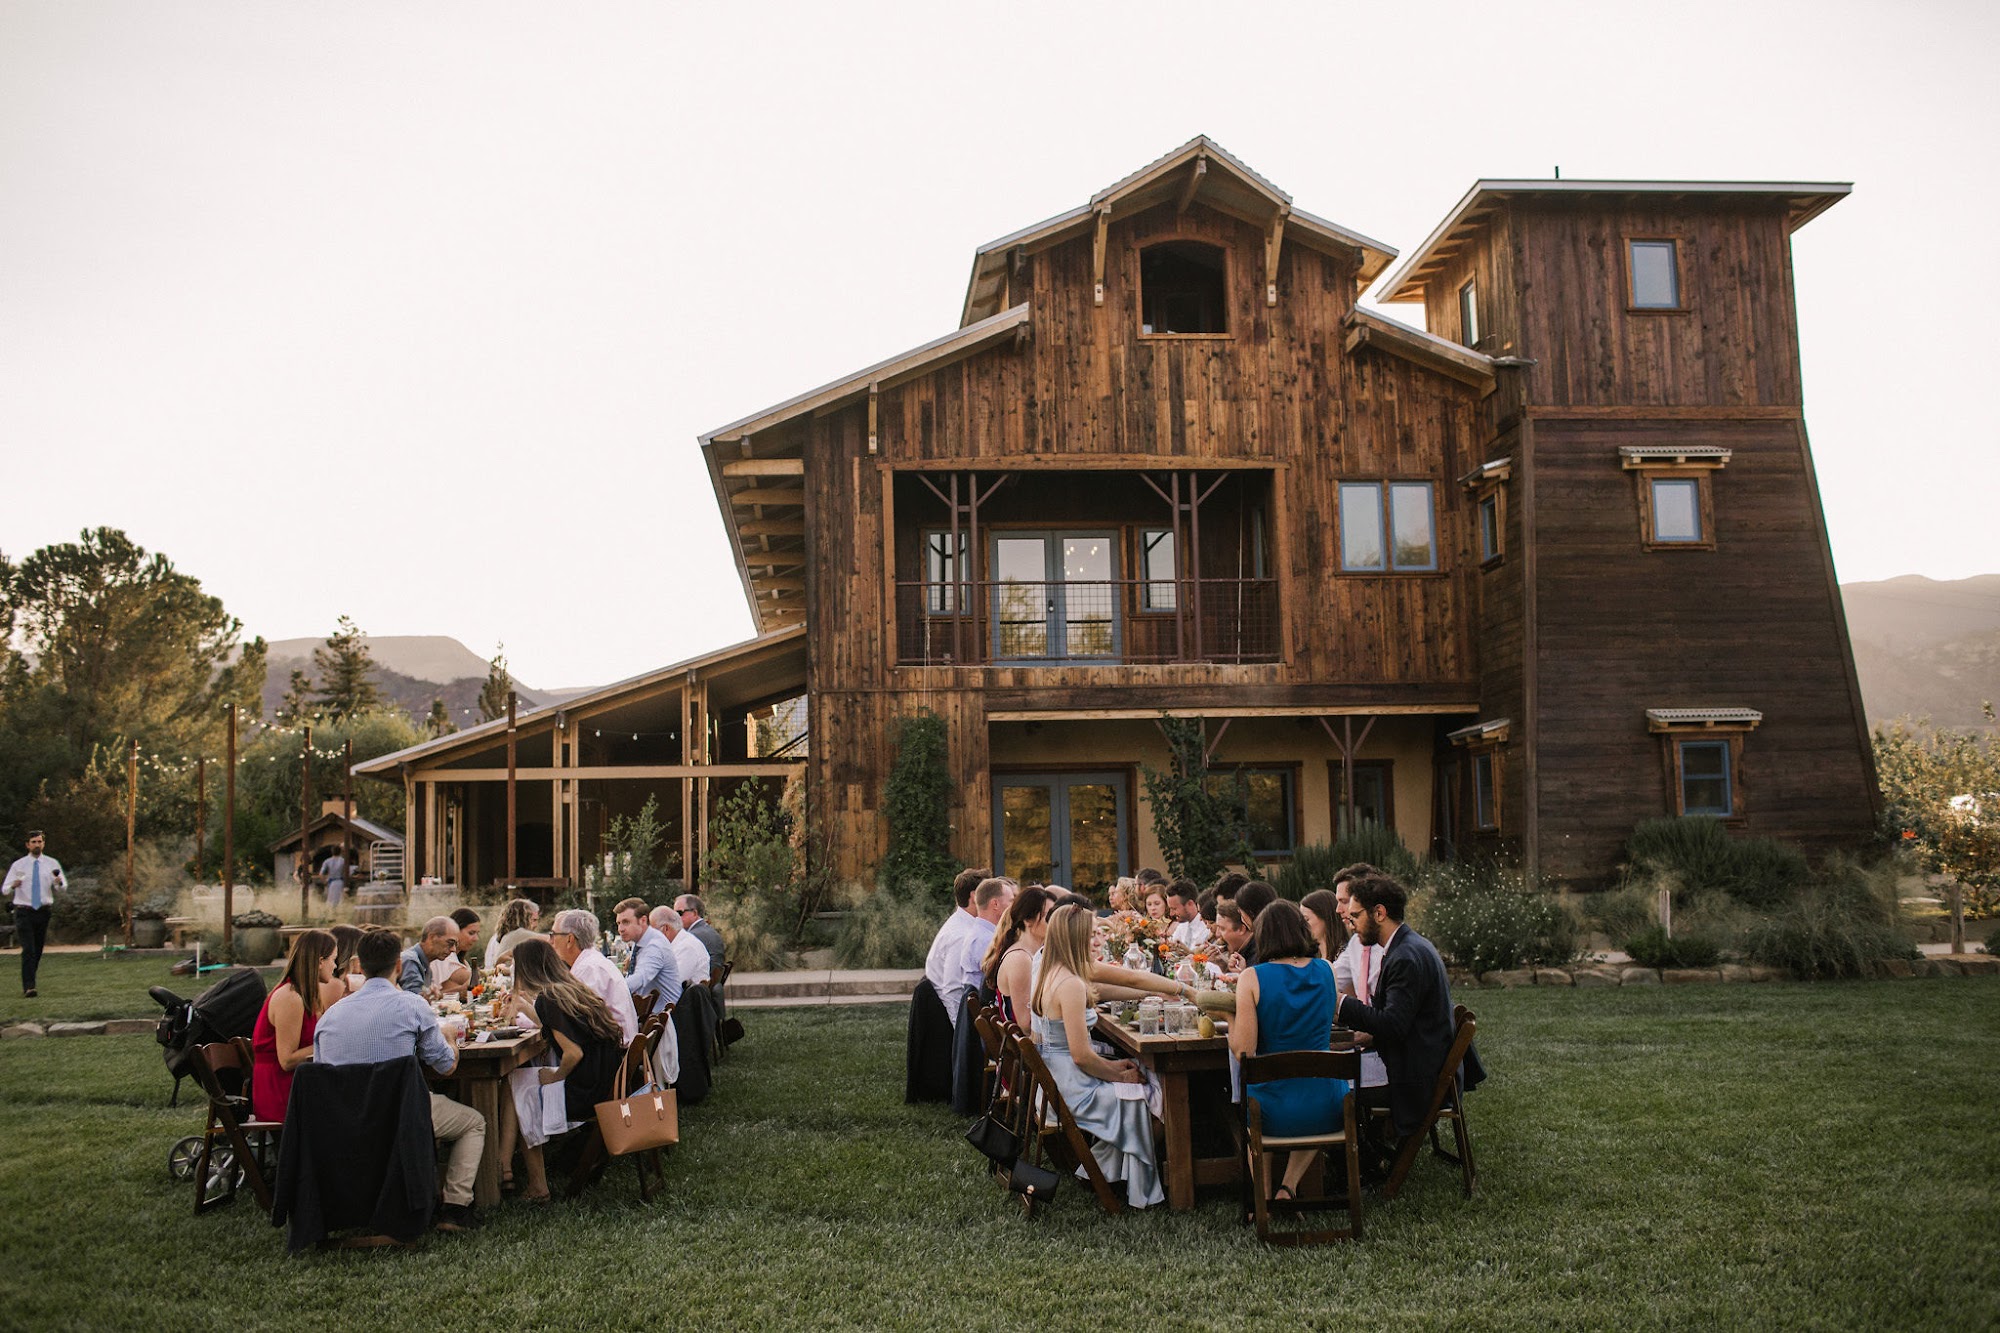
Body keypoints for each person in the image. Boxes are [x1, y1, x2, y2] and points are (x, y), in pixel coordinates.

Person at [313, 927, 487, 1232]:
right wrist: (449, 1037)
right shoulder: (411, 1005)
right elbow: (446, 1066)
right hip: (399, 1116)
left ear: (359, 966)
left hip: (343, 1121)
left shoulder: (329, 1017)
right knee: (473, 1122)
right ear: (398, 965)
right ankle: (455, 1208)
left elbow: (321, 1073)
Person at [1333, 874, 1482, 1153]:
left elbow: (1393, 1026)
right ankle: (1365, 1154)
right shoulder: (1408, 946)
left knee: (1332, 1087)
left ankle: (1357, 1160)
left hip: (1414, 1079)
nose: (1351, 925)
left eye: (1356, 916)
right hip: (1417, 1065)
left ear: (1379, 913)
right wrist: (1365, 1033)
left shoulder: (1405, 957)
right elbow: (1398, 1021)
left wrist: (1341, 1004)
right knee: (1336, 1076)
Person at [1029, 904, 1163, 1208]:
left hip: (1056, 1081)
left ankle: (1099, 1171)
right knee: (1153, 1093)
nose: (1097, 940)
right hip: (1073, 1090)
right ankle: (1109, 1175)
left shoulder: (1052, 972)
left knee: (1147, 1079)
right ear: (1074, 938)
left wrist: (1115, 1067)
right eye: (1091, 935)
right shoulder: (1070, 984)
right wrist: (1119, 1074)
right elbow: (1081, 1057)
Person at [1228, 900, 1349, 1202]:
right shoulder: (1327, 970)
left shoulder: (1252, 977)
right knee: (1298, 1091)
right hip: (1327, 1105)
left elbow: (1244, 1052)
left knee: (1257, 1095)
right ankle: (1288, 1187)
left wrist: (1228, 1018)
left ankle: (1263, 1197)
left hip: (1271, 1109)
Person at [497, 938, 624, 1203]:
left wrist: (555, 1077)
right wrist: (526, 1008)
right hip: (603, 1082)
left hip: (584, 1092)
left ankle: (537, 1186)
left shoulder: (549, 999)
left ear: (526, 969)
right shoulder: (570, 989)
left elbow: (573, 1053)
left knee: (523, 1093)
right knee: (516, 1079)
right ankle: (504, 1165)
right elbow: (560, 1028)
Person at [250, 928, 348, 1122]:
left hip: (298, 1084)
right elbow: (286, 1060)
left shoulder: (306, 995)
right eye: (333, 959)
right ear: (320, 962)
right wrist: (329, 1043)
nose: (335, 966)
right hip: (280, 1091)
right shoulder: (290, 997)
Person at [548, 908, 639, 1045]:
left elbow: (566, 1019)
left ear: (570, 939)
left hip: (613, 1051)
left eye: (553, 935)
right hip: (615, 1046)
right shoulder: (592, 962)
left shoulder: (588, 970)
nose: (550, 941)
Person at [943, 877, 1013, 1025]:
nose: (1014, 907)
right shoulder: (984, 941)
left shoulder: (980, 934)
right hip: (989, 1020)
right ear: (995, 904)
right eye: (1011, 901)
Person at [922, 868, 987, 1024]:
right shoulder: (961, 935)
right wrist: (961, 1031)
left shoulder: (965, 924)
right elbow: (953, 990)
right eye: (986, 894)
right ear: (974, 897)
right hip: (941, 1016)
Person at [983, 885, 1053, 1028]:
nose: (1056, 921)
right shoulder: (1020, 959)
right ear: (1028, 921)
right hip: (1032, 1040)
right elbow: (1026, 1024)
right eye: (1049, 916)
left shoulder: (1033, 953)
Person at [3, 831, 63, 998]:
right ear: (27, 845)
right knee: (28, 949)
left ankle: (30, 978)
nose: (37, 844)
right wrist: (13, 885)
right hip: (24, 910)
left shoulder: (52, 863)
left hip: (43, 911)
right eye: (33, 842)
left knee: (37, 949)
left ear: (43, 844)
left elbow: (62, 887)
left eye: (39, 841)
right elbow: (5, 889)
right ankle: (29, 986)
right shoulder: (18, 865)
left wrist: (58, 883)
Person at [615, 897, 680, 1017]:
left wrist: (608, 990)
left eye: (626, 922)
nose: (620, 929)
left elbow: (640, 978)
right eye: (618, 923)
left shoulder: (655, 946)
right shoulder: (640, 940)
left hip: (662, 1019)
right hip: (650, 1013)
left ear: (643, 920)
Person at [398, 917, 459, 996]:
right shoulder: (410, 961)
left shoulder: (425, 965)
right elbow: (415, 999)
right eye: (450, 943)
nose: (453, 949)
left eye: (456, 945)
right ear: (431, 937)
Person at [674, 893, 727, 976]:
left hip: (701, 982)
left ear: (694, 913)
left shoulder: (692, 937)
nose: (675, 918)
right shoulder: (708, 931)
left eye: (679, 913)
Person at [487, 898, 541, 971]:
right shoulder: (518, 934)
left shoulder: (506, 936)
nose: (536, 925)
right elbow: (552, 940)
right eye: (533, 920)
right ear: (522, 918)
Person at [1299, 889, 1345, 962]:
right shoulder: (1312, 958)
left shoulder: (1345, 956)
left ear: (1325, 918)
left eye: (1306, 919)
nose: (1302, 925)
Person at [1166, 879, 1210, 950]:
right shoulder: (1182, 925)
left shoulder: (1207, 928)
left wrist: (1187, 953)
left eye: (1174, 909)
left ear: (1190, 904)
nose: (1171, 914)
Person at [1214, 900, 1257, 971]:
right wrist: (1223, 966)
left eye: (1222, 928)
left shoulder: (1258, 957)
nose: (1217, 934)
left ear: (1241, 929)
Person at [448, 908, 483, 988]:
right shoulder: (444, 958)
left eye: (477, 933)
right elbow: (473, 979)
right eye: (471, 933)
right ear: (455, 930)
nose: (476, 939)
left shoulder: (461, 960)